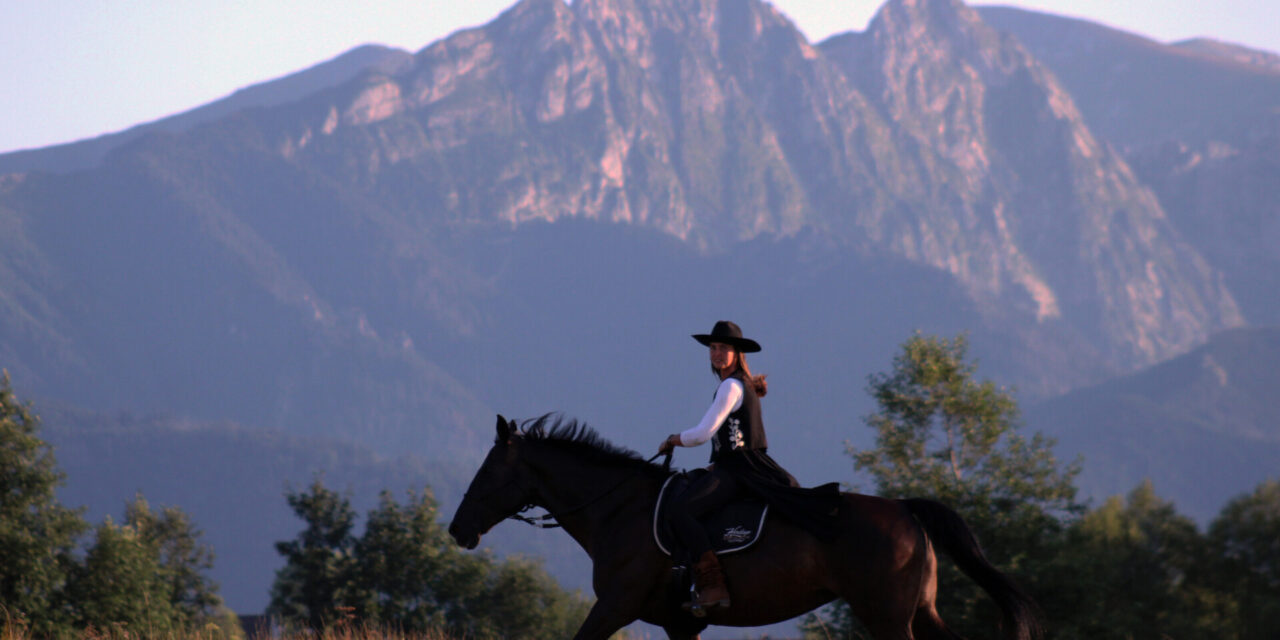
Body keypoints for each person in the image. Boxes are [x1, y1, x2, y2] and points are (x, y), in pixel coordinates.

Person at [656, 320, 841, 614]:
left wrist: (673, 439)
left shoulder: (731, 386)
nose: (716, 354)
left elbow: (704, 434)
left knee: (680, 510)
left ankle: (712, 584)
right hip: (738, 466)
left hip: (738, 470)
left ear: (737, 353)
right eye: (713, 348)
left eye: (723, 348)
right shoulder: (737, 383)